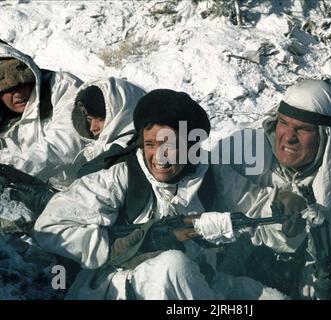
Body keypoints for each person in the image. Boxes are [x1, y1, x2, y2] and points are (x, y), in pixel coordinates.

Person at [34, 89, 287, 300]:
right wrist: (118, 245)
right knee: (173, 266)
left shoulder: (211, 175)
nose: (159, 157)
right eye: (151, 145)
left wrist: (284, 210)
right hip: (116, 287)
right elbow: (50, 227)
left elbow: (257, 207)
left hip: (197, 279)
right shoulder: (121, 177)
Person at [210, 79, 331, 299]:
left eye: (303, 129)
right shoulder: (240, 155)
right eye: (283, 123)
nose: (289, 137)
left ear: (323, 136)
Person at [7, 77, 146, 217]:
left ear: (121, 113)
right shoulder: (111, 150)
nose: (93, 127)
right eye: (89, 120)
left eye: (100, 118)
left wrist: (48, 201)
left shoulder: (125, 156)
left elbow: (93, 207)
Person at [0, 42, 85, 190]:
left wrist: (14, 171)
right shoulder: (3, 117)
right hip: (39, 194)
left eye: (22, 84)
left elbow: (66, 143)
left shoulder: (61, 87)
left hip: (87, 183)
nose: (18, 94)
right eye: (9, 89)